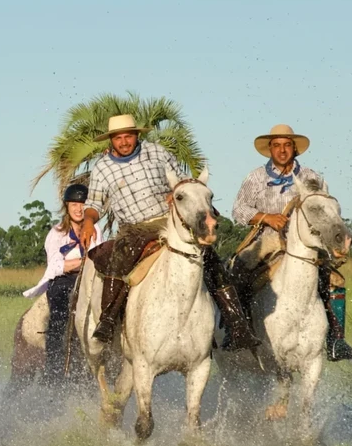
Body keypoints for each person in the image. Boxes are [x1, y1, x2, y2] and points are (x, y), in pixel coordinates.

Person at [85, 114, 261, 350]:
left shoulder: (157, 152)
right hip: (134, 228)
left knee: (210, 260)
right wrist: (88, 220)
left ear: (137, 135)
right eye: (119, 138)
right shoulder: (102, 168)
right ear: (111, 140)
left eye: (128, 136)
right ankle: (107, 320)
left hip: (169, 220)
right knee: (120, 257)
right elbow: (94, 203)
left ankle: (237, 324)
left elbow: (180, 180)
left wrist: (176, 191)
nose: (124, 141)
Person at [230, 123, 352, 361]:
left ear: (294, 149)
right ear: (270, 149)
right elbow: (238, 209)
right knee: (238, 271)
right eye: (277, 146)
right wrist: (267, 218)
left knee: (335, 281)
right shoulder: (256, 177)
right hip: (267, 238)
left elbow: (324, 208)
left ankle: (336, 340)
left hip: (306, 242)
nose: (282, 150)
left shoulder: (310, 177)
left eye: (287, 145)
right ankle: (238, 331)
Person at [21, 183, 99, 382]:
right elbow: (56, 265)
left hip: (89, 279)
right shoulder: (57, 233)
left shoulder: (95, 229)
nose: (78, 208)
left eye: (82, 204)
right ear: (67, 206)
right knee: (59, 312)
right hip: (63, 281)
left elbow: (99, 257)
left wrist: (79, 264)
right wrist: (83, 262)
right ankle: (53, 366)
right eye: (74, 204)